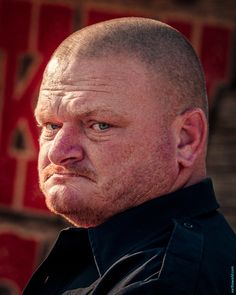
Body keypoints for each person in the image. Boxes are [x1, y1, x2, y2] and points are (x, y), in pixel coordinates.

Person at [23, 17, 236, 294]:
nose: (58, 152)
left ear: (186, 139)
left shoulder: (163, 282)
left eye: (99, 125)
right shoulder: (125, 252)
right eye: (51, 125)